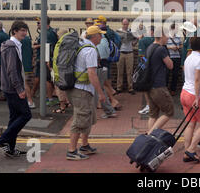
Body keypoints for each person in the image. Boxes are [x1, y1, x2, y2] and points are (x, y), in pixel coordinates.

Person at [66, 25, 107, 160]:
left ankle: (84, 145)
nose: (102, 37)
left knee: (87, 117)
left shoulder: (82, 45)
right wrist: (101, 93)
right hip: (81, 90)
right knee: (80, 119)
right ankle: (72, 151)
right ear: (94, 36)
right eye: (100, 35)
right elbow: (92, 74)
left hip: (81, 88)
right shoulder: (90, 51)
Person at [0, 21, 32, 158]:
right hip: (13, 88)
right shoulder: (11, 47)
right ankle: (2, 140)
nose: (25, 33)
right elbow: (12, 70)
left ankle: (10, 148)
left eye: (25, 30)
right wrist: (19, 89)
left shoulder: (15, 45)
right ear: (14, 31)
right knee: (26, 115)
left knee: (15, 117)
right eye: (22, 30)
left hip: (9, 87)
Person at [181, 37, 200, 163]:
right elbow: (197, 79)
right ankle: (191, 150)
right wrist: (198, 97)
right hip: (194, 95)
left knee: (191, 123)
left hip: (185, 92)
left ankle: (187, 152)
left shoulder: (189, 57)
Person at [145, 27, 174, 134]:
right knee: (169, 112)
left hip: (149, 85)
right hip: (159, 86)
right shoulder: (161, 49)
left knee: (153, 114)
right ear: (162, 36)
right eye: (166, 36)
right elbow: (170, 65)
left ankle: (150, 139)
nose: (168, 38)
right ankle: (150, 134)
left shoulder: (149, 47)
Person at [31, 17, 59, 106]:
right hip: (42, 58)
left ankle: (49, 98)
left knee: (47, 79)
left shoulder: (49, 33)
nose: (37, 25)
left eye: (39, 23)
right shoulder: (44, 33)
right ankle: (31, 95)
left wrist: (37, 46)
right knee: (40, 77)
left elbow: (48, 46)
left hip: (45, 58)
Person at [116, 18, 138, 94]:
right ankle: (119, 87)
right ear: (122, 24)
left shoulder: (131, 31)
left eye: (126, 24)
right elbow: (116, 42)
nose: (125, 25)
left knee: (130, 71)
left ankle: (130, 88)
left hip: (129, 52)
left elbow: (134, 43)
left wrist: (136, 39)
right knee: (120, 71)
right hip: (121, 52)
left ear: (128, 24)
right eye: (124, 24)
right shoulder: (118, 31)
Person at [137, 25, 155, 115]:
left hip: (146, 67)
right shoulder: (157, 40)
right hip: (156, 67)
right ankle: (153, 105)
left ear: (151, 31)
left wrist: (143, 68)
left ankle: (149, 105)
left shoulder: (143, 41)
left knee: (145, 88)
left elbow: (142, 56)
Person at [166, 23, 182, 96]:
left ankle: (173, 89)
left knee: (175, 75)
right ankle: (165, 89)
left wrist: (178, 47)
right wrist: (171, 47)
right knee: (167, 74)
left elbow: (181, 45)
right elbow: (164, 46)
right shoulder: (167, 37)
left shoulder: (178, 37)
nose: (177, 30)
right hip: (169, 57)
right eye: (176, 29)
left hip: (177, 57)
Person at [21, 33, 35, 109]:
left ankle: (30, 101)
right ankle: (28, 101)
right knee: (26, 84)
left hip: (23, 65)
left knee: (25, 83)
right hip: (28, 64)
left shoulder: (20, 40)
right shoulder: (27, 39)